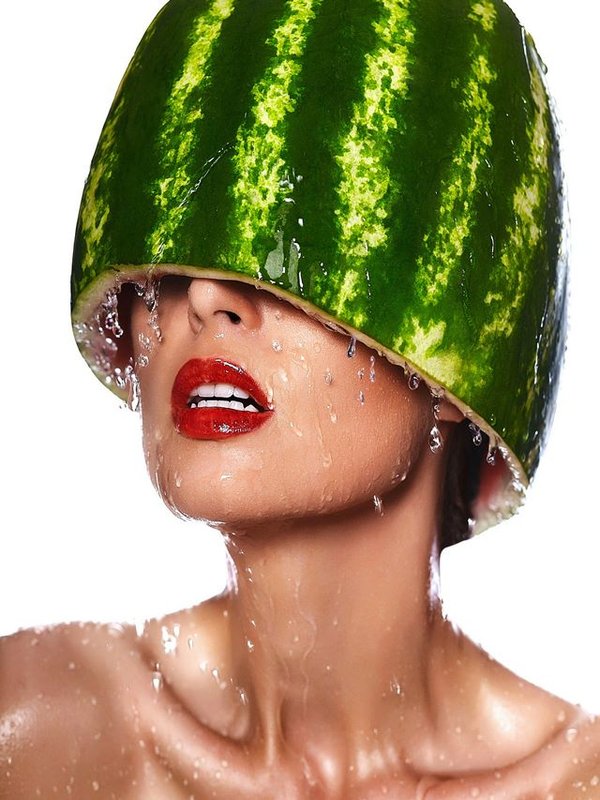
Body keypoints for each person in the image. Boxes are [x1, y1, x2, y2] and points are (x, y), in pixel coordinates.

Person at [2, 0, 599, 797]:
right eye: (173, 236)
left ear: (468, 330)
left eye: (305, 224)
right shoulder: (39, 731)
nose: (206, 293)